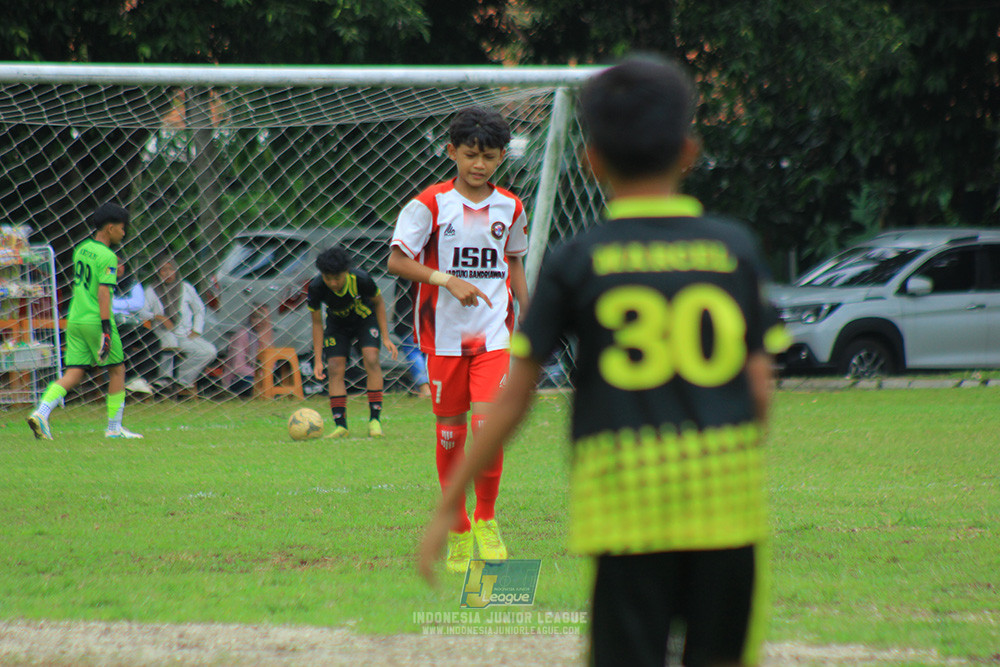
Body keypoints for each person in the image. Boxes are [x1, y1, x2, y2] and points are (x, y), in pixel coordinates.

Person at [417, 56, 792, 667]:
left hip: (625, 513)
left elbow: (513, 398)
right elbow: (759, 389)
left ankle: (473, 522)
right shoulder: (734, 249)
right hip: (727, 511)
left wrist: (444, 508)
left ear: (592, 162)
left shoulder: (579, 258)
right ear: (689, 152)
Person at [388, 105, 530, 572]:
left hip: (493, 337)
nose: (479, 165)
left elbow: (513, 264)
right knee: (449, 435)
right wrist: (446, 279)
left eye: (489, 157)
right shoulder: (429, 204)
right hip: (442, 339)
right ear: (452, 152)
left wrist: (528, 315)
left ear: (501, 158)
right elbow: (397, 262)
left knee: (487, 429)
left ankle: (487, 520)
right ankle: (458, 527)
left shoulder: (510, 207)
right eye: (471, 154)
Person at [26, 202, 143, 439]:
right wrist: (106, 328)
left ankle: (41, 412)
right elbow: (102, 291)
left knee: (75, 372)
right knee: (117, 370)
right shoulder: (109, 256)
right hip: (94, 320)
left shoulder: (82, 248)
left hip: (75, 318)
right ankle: (114, 428)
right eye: (122, 227)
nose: (124, 232)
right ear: (110, 228)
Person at [309, 245, 398, 438]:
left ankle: (375, 420)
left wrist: (385, 336)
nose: (333, 283)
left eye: (337, 278)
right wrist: (317, 359)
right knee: (334, 367)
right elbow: (316, 323)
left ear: (346, 272)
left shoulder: (362, 279)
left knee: (371, 358)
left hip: (365, 320)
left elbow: (379, 302)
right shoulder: (316, 287)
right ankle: (341, 426)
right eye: (328, 278)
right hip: (337, 326)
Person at [143, 256, 217, 396]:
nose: (167, 273)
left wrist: (196, 329)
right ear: (158, 272)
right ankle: (163, 380)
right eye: (163, 270)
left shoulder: (185, 287)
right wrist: (159, 317)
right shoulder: (151, 290)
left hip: (184, 334)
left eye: (170, 269)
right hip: (161, 332)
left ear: (176, 270)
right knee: (169, 342)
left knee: (208, 351)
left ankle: (181, 381)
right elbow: (142, 312)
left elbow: (199, 309)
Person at [112, 258, 160, 394]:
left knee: (154, 341)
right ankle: (128, 380)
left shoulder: (132, 283)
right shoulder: (102, 284)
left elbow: (138, 304)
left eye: (120, 264)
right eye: (114, 264)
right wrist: (127, 304)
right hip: (112, 326)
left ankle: (142, 379)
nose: (118, 267)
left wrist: (115, 303)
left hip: (132, 325)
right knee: (124, 344)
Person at [220, 303, 273, 397]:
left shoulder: (267, 335)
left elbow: (272, 364)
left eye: (262, 317)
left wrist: (263, 341)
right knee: (254, 385)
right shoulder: (242, 335)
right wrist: (259, 375)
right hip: (238, 378)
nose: (258, 321)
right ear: (249, 318)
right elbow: (238, 367)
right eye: (254, 317)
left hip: (261, 377)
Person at [392, 277, 431, 397]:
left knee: (413, 351)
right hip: (428, 316)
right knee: (426, 352)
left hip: (408, 318)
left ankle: (424, 387)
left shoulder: (406, 271)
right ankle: (431, 386)